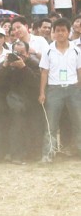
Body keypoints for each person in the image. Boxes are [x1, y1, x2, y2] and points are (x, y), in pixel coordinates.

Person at [39, 18, 81, 162]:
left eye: (64, 30)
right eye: (58, 31)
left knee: (79, 122)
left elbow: (79, 70)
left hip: (73, 89)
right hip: (54, 89)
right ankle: (48, 153)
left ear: (69, 32)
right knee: (51, 123)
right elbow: (44, 72)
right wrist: (42, 92)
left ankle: (78, 150)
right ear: (54, 33)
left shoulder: (76, 50)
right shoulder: (48, 50)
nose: (61, 33)